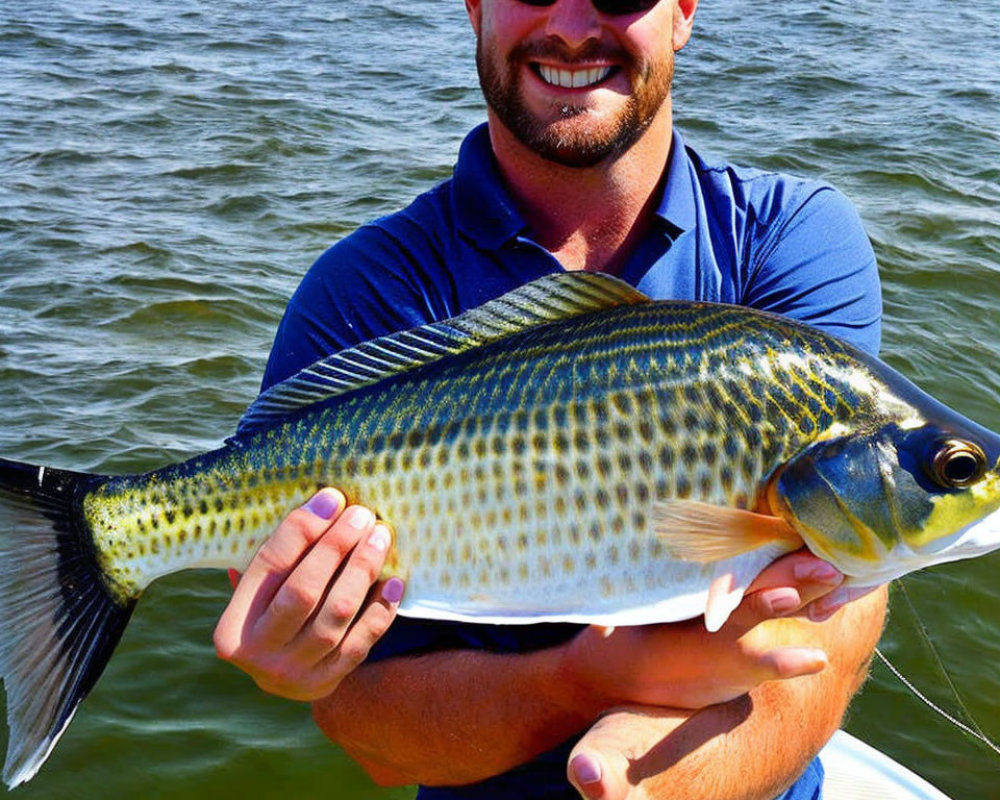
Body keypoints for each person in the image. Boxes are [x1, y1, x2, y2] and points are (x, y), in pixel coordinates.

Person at [214, 0, 889, 798]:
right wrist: (583, 681)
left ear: (683, 11)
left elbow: (835, 607)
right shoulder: (361, 290)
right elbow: (378, 740)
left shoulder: (789, 239)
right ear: (473, 8)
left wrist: (645, 782)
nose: (572, 24)